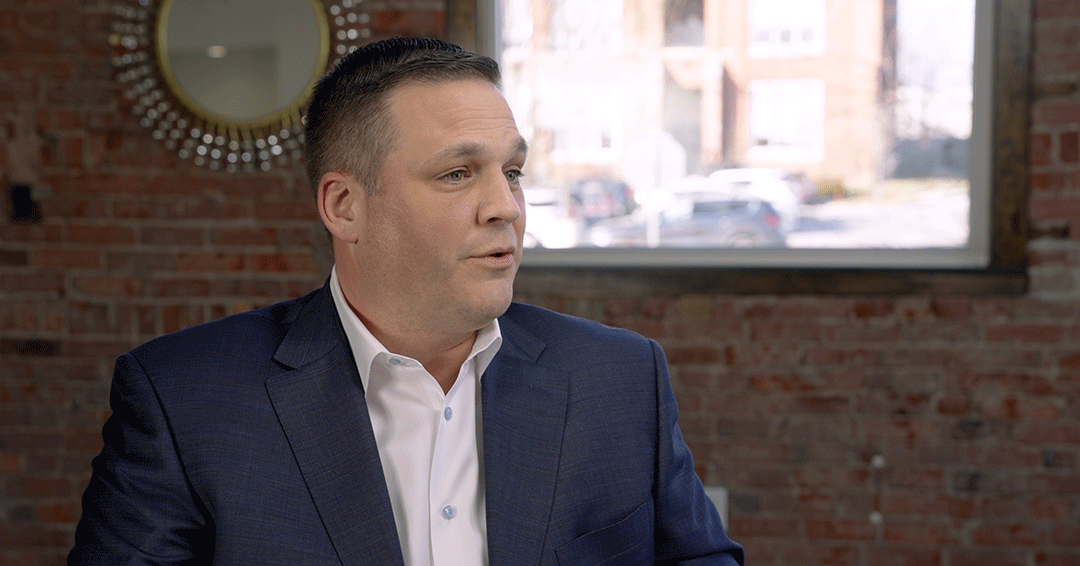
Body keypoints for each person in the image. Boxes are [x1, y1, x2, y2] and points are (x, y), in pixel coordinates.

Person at [69, 37, 744, 566]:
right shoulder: (185, 401)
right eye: (457, 174)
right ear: (345, 206)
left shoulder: (620, 380)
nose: (505, 207)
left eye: (512, 172)